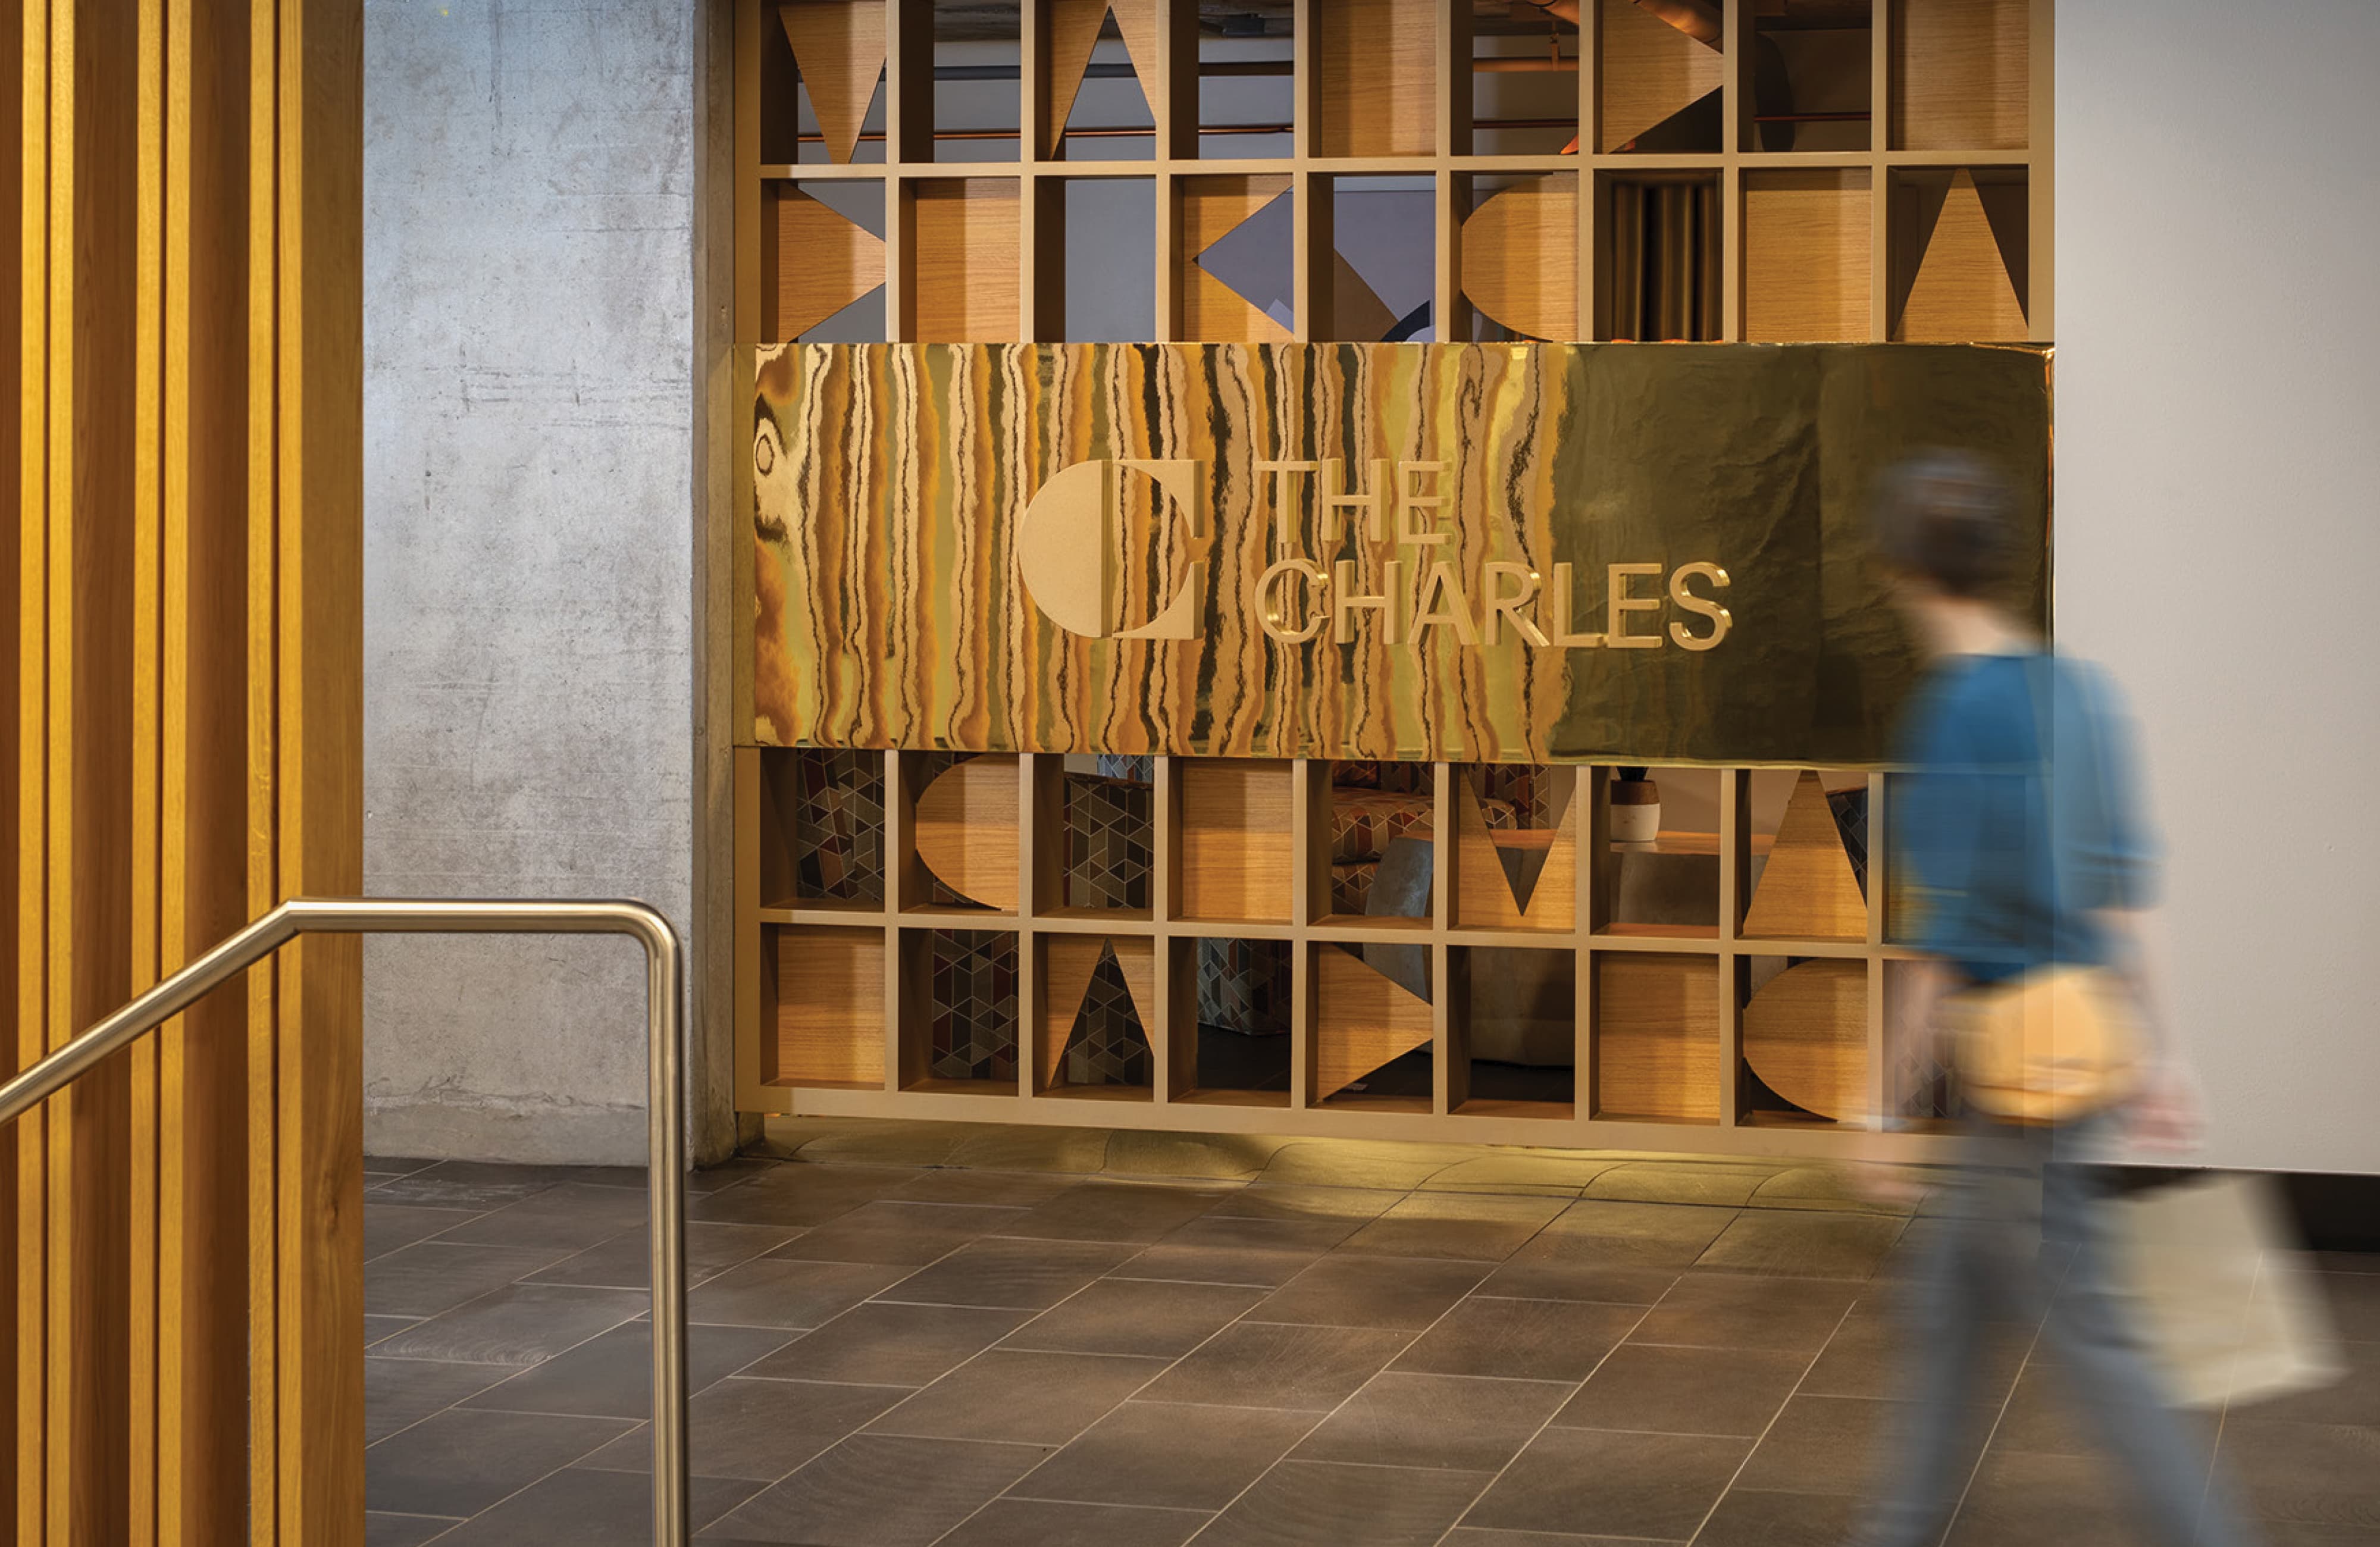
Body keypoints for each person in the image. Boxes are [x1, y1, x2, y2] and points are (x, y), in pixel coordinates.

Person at [1856, 452, 2259, 1547]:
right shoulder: (2079, 690)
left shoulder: (1949, 715)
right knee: (1946, 1302)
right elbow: (2126, 889)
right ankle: (1901, 1523)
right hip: (2084, 1051)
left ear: (1901, 572)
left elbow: (1941, 941)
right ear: (2000, 560)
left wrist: (1882, 1106)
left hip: (2018, 1078)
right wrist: (2169, 1053)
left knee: (2095, 1338)